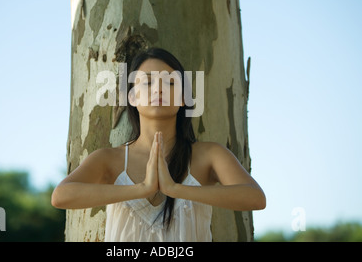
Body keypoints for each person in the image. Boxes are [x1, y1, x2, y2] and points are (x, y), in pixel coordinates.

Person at [51, 47, 266, 241]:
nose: (158, 90)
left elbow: (255, 198)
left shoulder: (208, 155)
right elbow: (61, 196)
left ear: (183, 98)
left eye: (170, 82)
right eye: (148, 82)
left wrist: (174, 189)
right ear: (132, 97)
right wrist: (142, 189)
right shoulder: (109, 159)